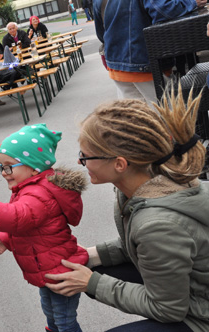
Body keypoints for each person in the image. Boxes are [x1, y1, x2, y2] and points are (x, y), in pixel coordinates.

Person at [44, 91, 209, 332]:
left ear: (120, 164)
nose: (81, 162)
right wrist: (92, 255)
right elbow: (144, 247)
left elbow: (169, 309)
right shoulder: (148, 182)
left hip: (200, 314)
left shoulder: (156, 224)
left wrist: (92, 283)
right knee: (90, 267)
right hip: (193, 286)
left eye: (85, 156)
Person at [0, 124, 88, 332]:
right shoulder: (29, 189)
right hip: (49, 270)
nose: (4, 173)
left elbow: (16, 217)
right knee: (52, 314)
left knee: (64, 322)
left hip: (60, 271)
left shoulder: (38, 194)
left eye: (9, 166)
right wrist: (7, 239)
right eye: (1, 167)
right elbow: (30, 224)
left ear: (33, 167)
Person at [93, 0, 202, 104]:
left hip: (116, 65)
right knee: (166, 118)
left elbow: (101, 33)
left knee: (134, 120)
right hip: (145, 64)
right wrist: (191, 2)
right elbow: (163, 10)